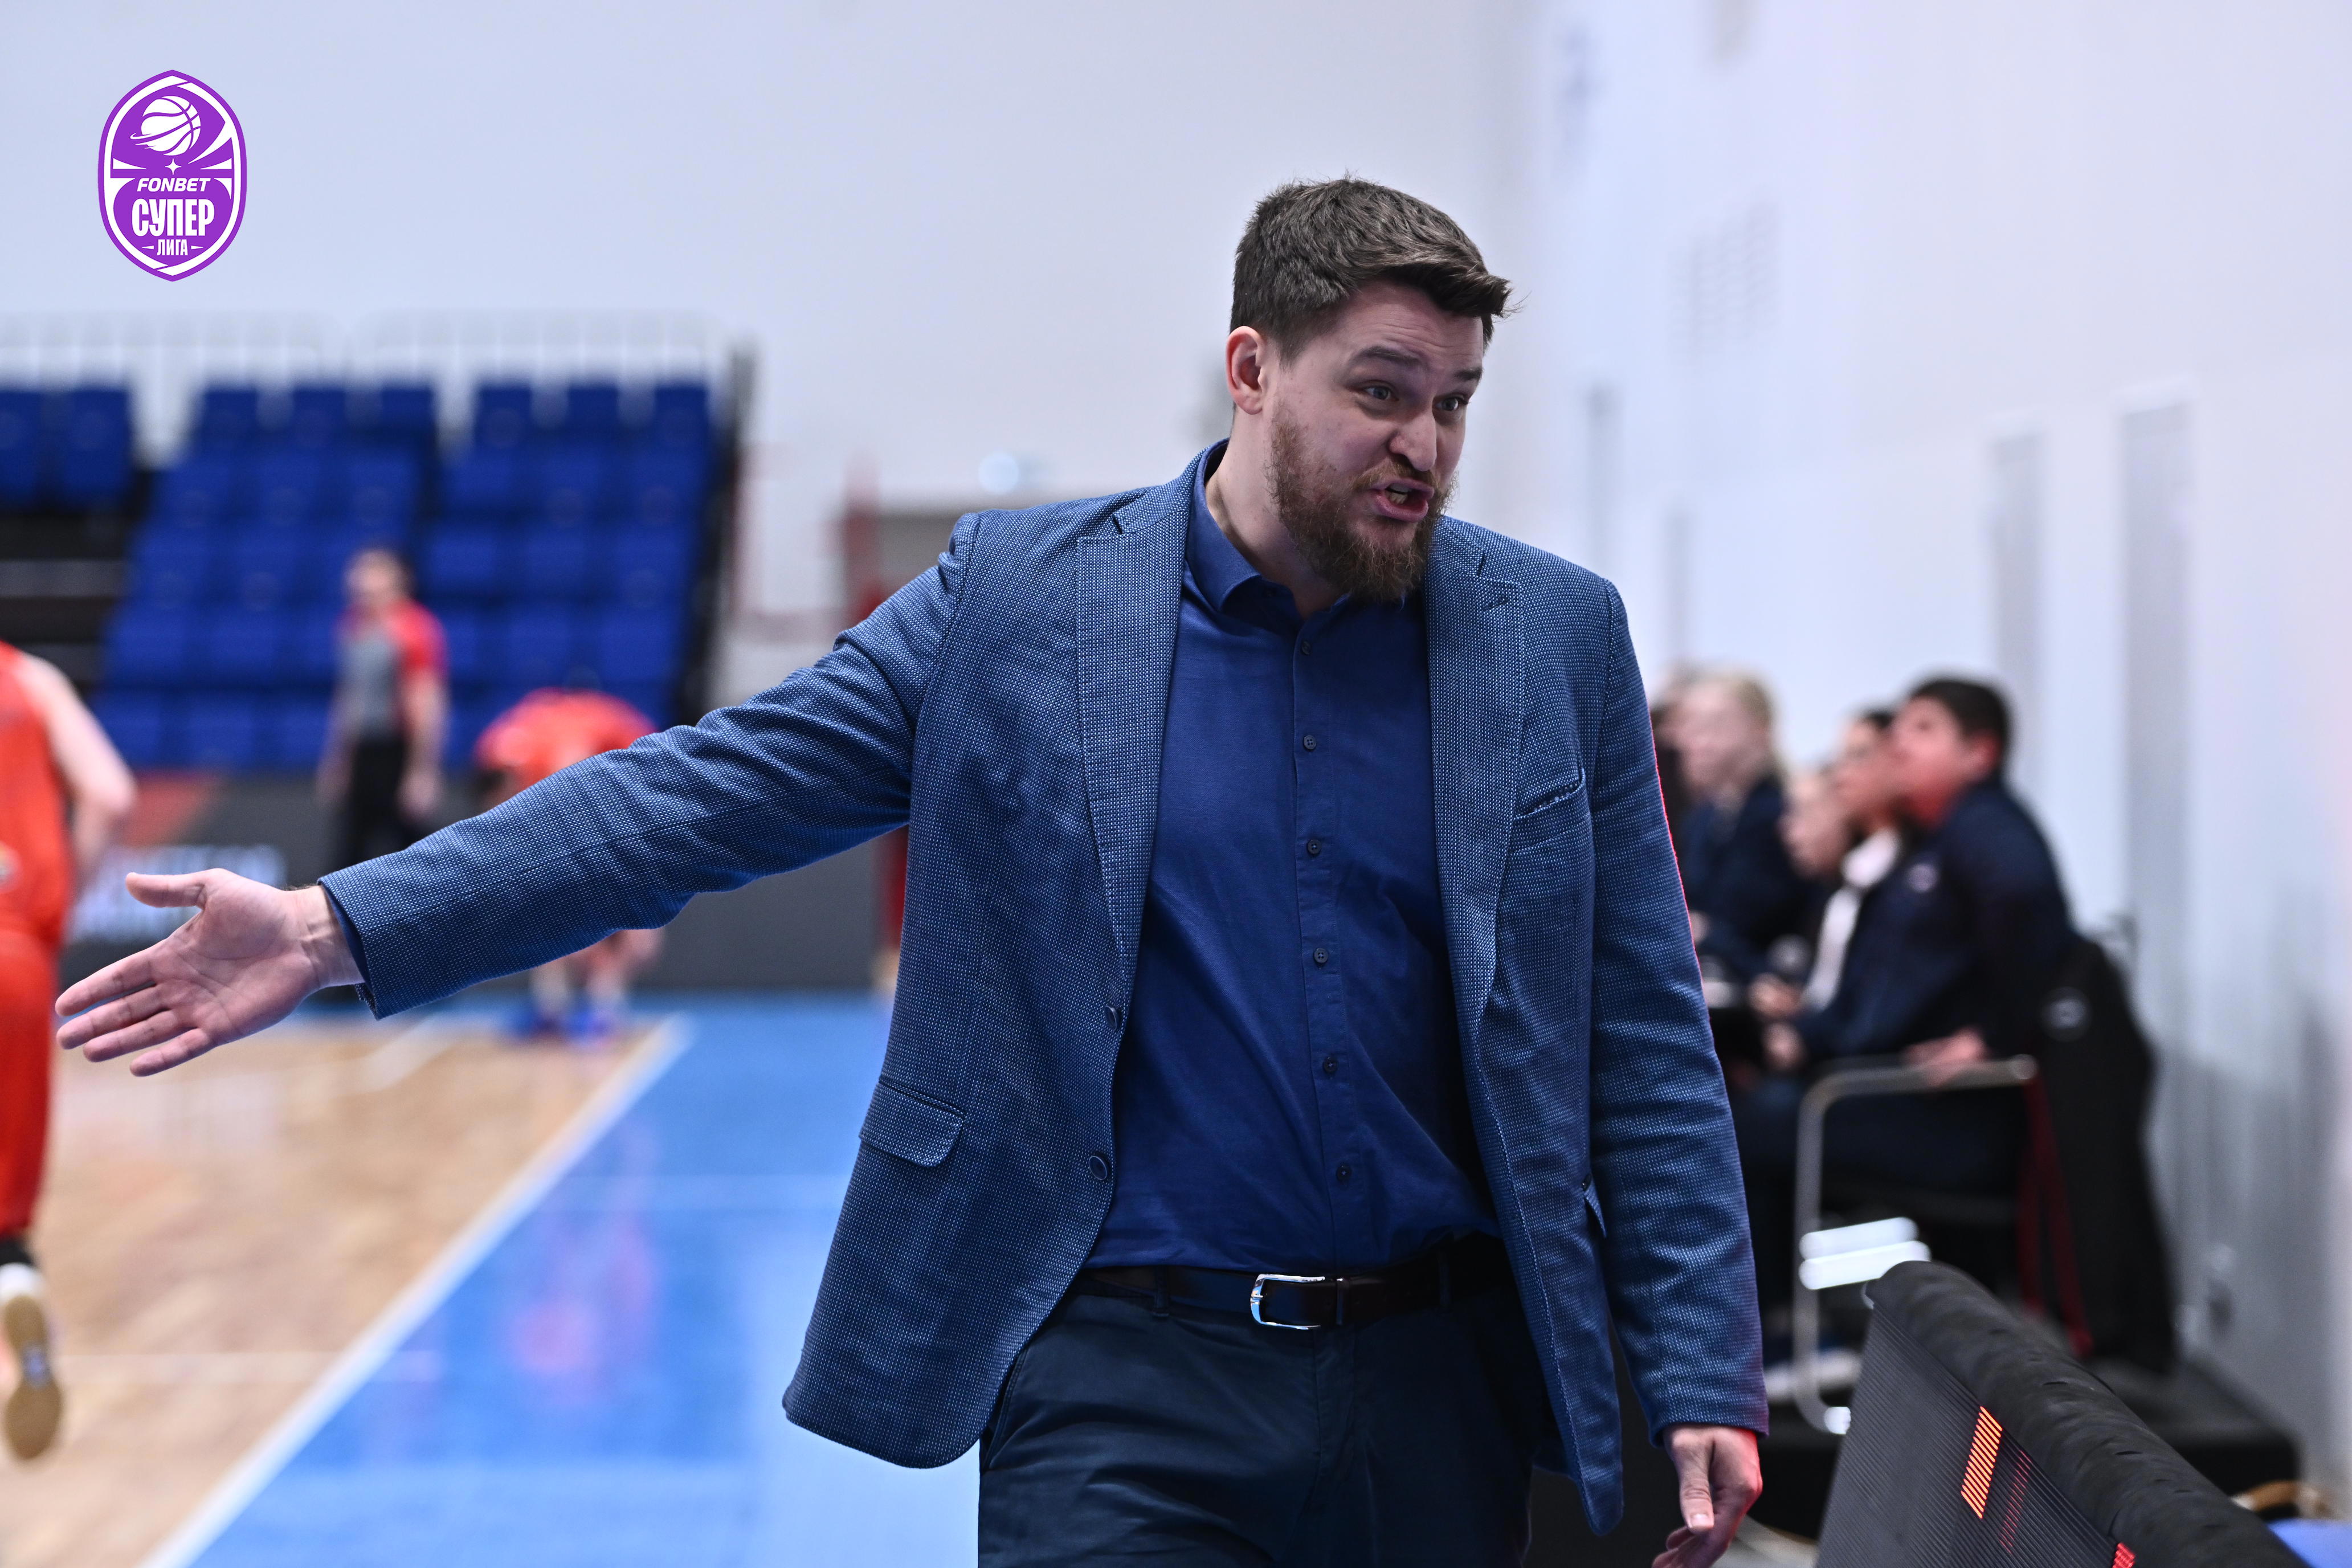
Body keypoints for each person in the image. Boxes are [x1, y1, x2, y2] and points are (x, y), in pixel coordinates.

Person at [58, 180, 1765, 1566]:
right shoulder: (1019, 607)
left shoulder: (1550, 637)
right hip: (1119, 1383)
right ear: (1250, 370)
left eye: (1453, 403)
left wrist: (1699, 1358)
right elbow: (701, 795)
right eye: (1379, 391)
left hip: (1438, 1379)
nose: (1423, 445)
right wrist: (337, 921)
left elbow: (1641, 1029)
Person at [1734, 678, 2073, 1314]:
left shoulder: (1984, 829)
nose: (1900, 743)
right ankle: (1769, 1325)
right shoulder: (1938, 840)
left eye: (1923, 728)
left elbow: (2029, 908)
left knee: (1742, 1126)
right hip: (1894, 1085)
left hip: (1945, 1112)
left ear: (1979, 753)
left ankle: (1771, 1329)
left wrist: (1994, 1035)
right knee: (1750, 1109)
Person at [0, 645, 136, 1461]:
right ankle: (14, 1279)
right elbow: (111, 795)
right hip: (19, 948)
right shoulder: (32, 678)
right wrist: (60, 904)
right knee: (6, 1208)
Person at [473, 688, 663, 1042]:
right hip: (593, 829)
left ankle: (603, 1009)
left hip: (618, 830)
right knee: (550, 921)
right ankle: (553, 1008)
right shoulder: (514, 748)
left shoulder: (559, 767)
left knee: (615, 929)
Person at [1668, 672, 1814, 987]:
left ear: (1761, 730)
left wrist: (1705, 932)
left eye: (1715, 725)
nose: (1696, 741)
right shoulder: (1701, 821)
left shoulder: (1785, 819)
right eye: (1691, 726)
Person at [317, 548, 446, 871]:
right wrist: (339, 759)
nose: (359, 578)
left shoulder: (415, 628)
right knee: (349, 853)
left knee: (411, 851)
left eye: (372, 570)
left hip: (397, 752)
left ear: (397, 579)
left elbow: (427, 702)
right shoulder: (351, 626)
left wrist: (421, 772)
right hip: (364, 750)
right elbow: (348, 697)